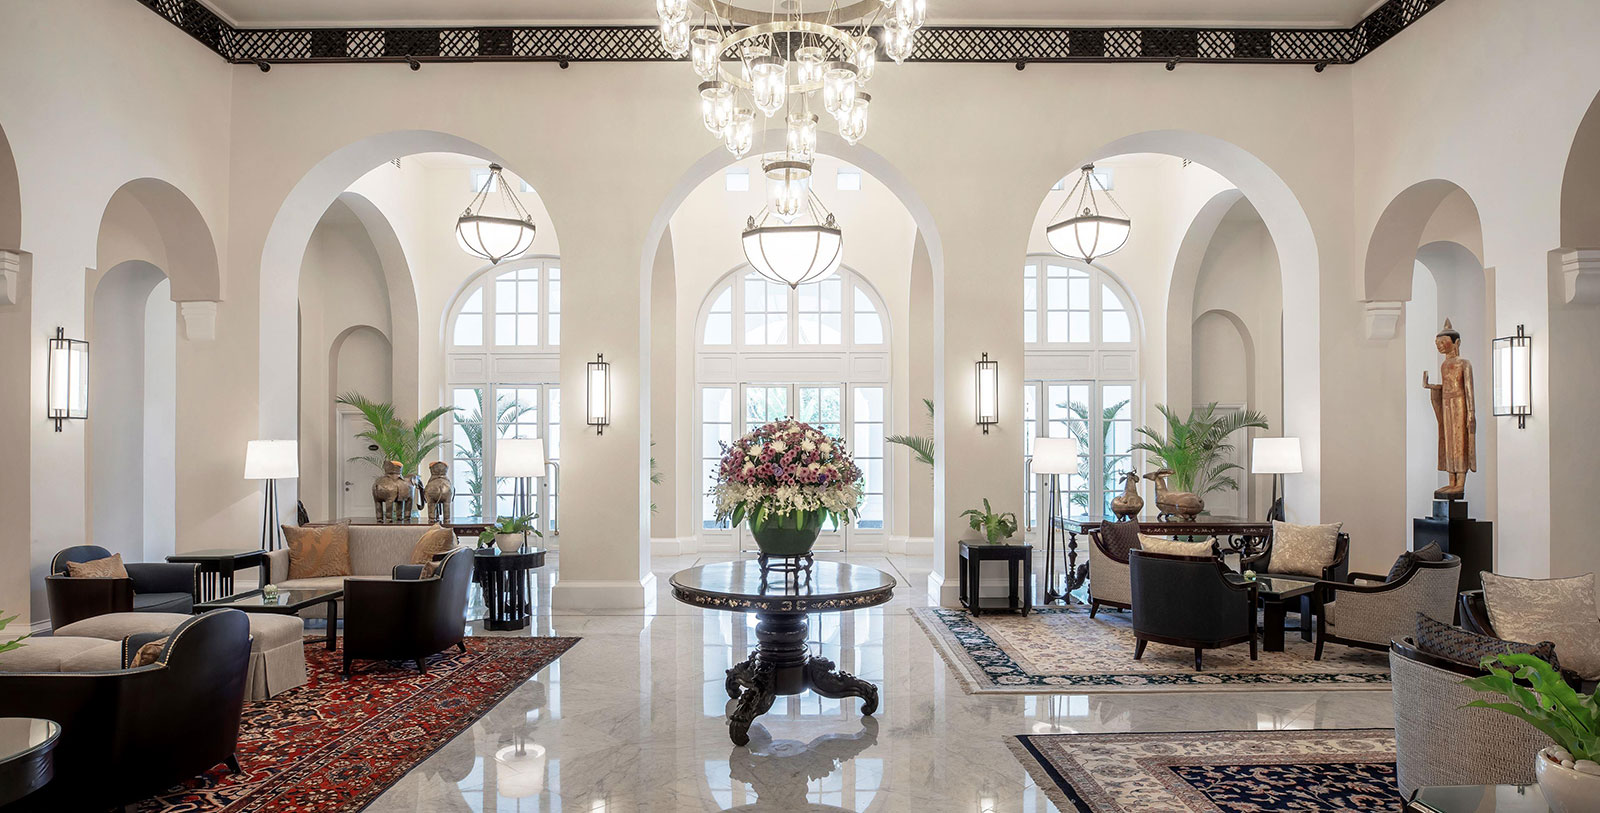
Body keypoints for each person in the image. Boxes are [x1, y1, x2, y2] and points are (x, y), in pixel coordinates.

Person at [1422, 318, 1475, 499]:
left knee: (1459, 441)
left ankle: (1460, 483)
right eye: (1437, 343)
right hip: (1446, 404)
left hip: (1460, 404)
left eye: (1443, 342)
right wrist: (1431, 386)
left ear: (1456, 343)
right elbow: (1445, 387)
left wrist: (1471, 412)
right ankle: (1451, 480)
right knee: (1448, 441)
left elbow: (1468, 389)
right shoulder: (1444, 365)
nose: (1440, 346)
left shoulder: (1464, 363)